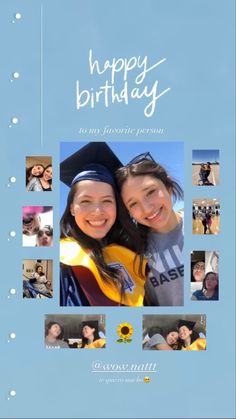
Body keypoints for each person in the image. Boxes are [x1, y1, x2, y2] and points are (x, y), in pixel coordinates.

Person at [60, 142, 147, 307]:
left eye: (107, 201)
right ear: (72, 208)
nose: (98, 211)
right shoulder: (63, 261)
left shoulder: (133, 251)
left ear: (117, 206)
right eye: (86, 201)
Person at [116, 152, 184, 306]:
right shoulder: (135, 254)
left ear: (169, 187)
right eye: (133, 204)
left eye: (151, 192)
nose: (146, 209)